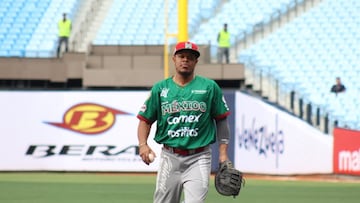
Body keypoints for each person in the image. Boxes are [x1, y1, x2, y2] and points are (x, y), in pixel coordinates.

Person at [137, 41, 232, 203]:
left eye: (190, 57)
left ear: (196, 61)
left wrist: (223, 155)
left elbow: (221, 120)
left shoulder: (209, 87)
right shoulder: (160, 88)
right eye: (181, 56)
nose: (185, 60)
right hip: (170, 156)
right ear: (174, 59)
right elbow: (145, 120)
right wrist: (142, 144)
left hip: (199, 157)